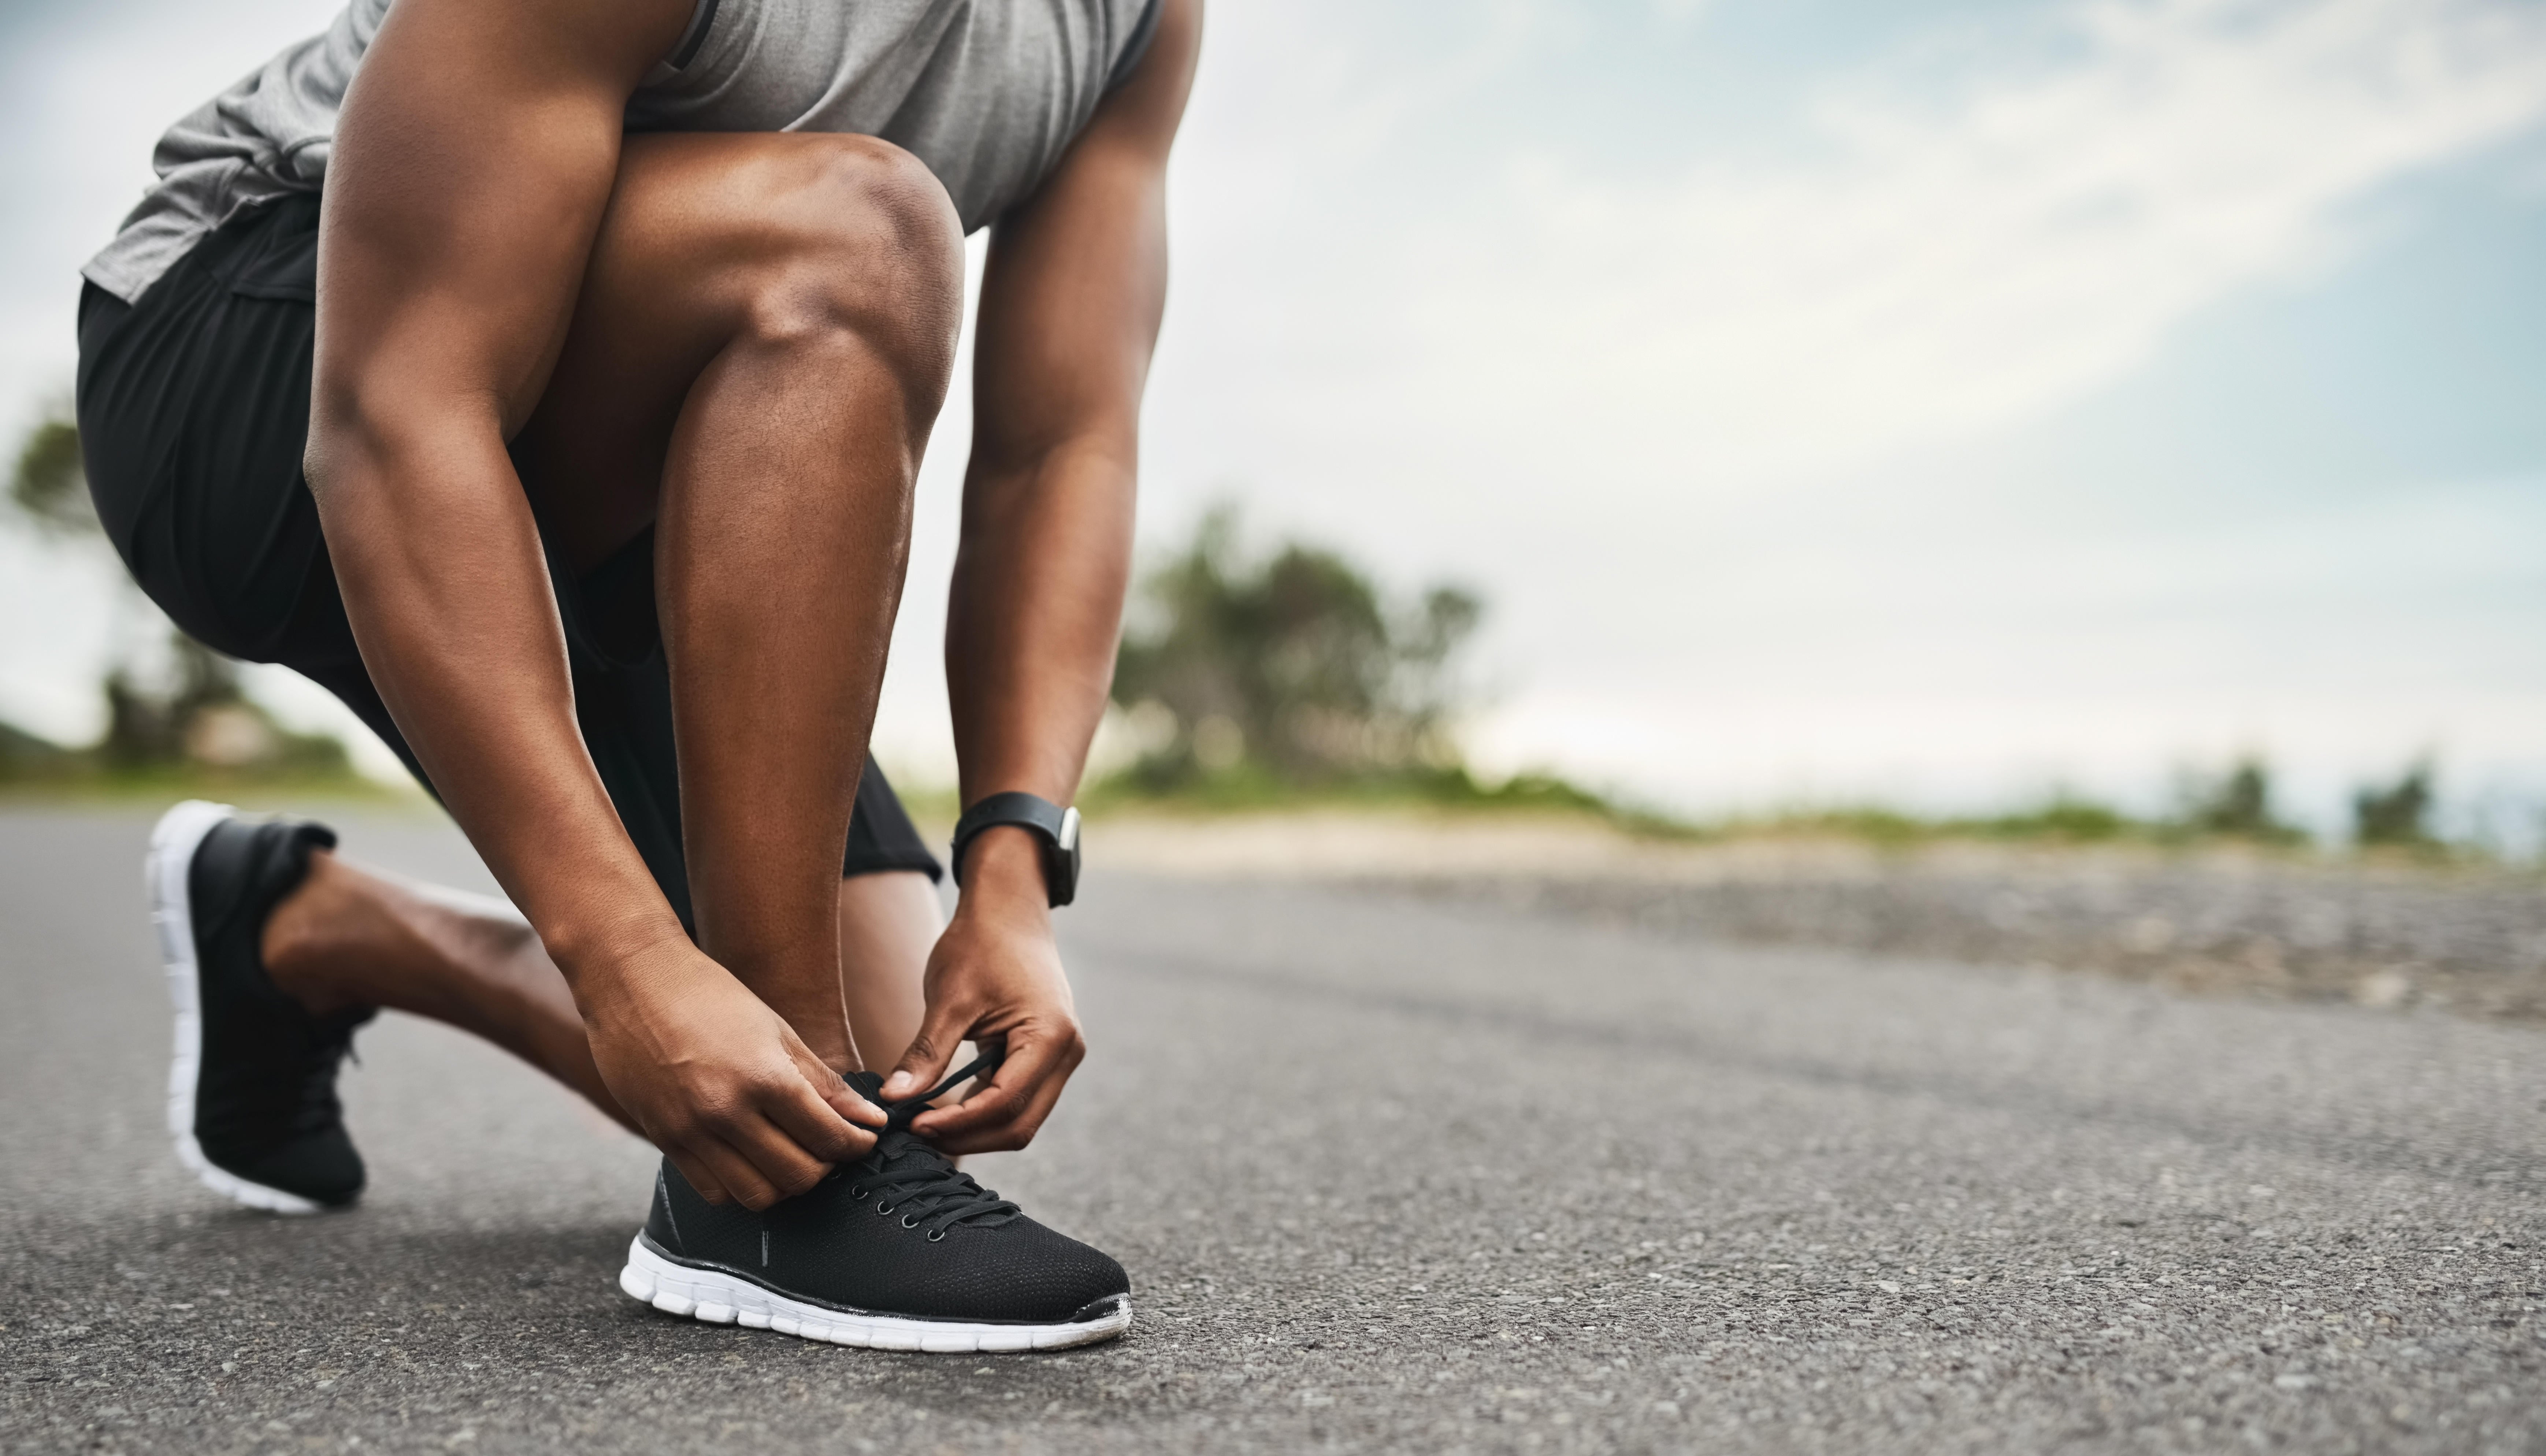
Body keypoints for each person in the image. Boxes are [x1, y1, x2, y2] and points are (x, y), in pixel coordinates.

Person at [77, 0, 1199, 1354]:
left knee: (880, 1065)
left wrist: (1013, 873)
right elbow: (394, 409)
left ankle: (302, 933)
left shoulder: (1134, 18)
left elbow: (1058, 449)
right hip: (256, 352)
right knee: (856, 231)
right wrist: (617, 956)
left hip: (657, 454)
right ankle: (773, 1222)